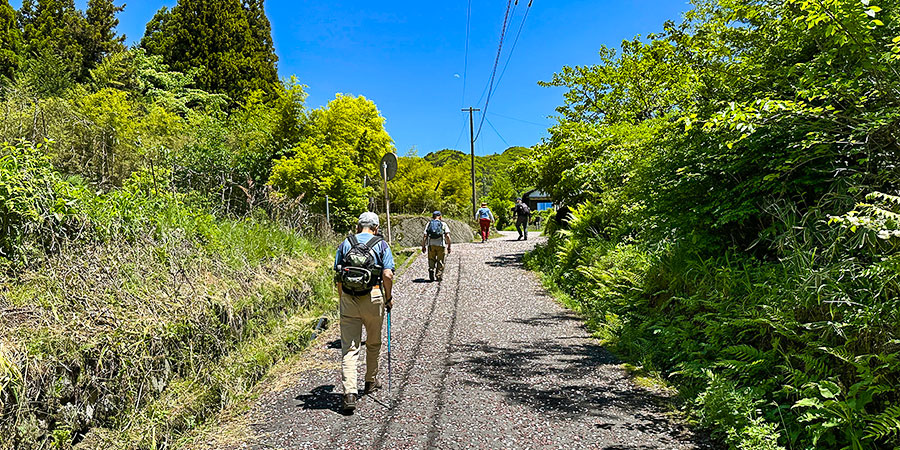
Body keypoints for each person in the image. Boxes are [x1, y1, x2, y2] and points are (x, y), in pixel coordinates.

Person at [334, 212, 395, 413]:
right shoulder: (381, 244)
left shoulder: (345, 243)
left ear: (358, 226)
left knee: (350, 348)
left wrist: (343, 297)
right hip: (373, 297)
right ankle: (370, 381)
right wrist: (388, 298)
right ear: (375, 228)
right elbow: (387, 274)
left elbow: (338, 275)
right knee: (373, 342)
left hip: (349, 299)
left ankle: (349, 393)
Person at [421, 211, 451, 281]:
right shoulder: (443, 224)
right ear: (440, 216)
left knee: (431, 259)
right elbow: (447, 236)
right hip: (441, 245)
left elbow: (425, 236)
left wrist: (423, 246)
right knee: (440, 260)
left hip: (431, 245)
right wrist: (449, 246)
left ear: (433, 216)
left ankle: (431, 270)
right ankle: (438, 276)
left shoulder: (429, 224)